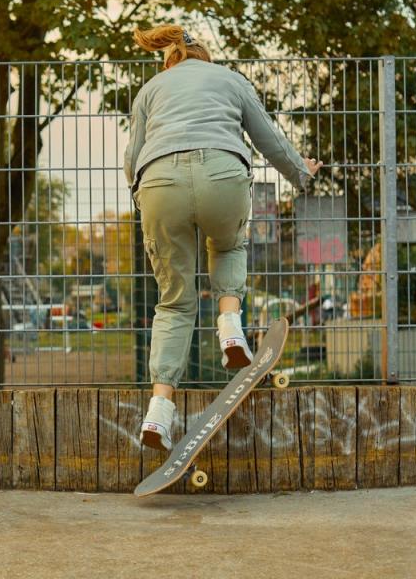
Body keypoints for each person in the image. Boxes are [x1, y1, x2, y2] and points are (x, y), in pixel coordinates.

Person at [125, 25, 323, 451]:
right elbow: (269, 139)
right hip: (222, 175)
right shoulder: (231, 80)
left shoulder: (151, 90)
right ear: (205, 56)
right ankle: (230, 328)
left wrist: (144, 197)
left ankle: (159, 411)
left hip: (159, 183)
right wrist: (300, 171)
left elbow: (132, 157)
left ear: (169, 59)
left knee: (174, 301)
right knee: (229, 243)